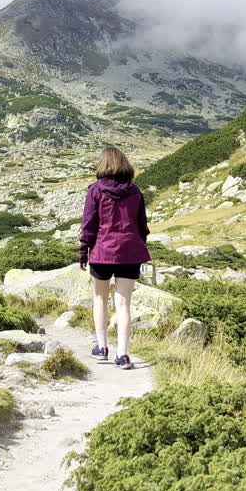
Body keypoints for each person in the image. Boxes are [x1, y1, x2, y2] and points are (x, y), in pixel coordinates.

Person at [77, 146, 150, 370]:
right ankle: (124, 354)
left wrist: (83, 250)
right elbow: (142, 227)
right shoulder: (136, 192)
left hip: (102, 252)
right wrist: (138, 248)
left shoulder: (96, 190)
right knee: (123, 304)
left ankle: (102, 348)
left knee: (100, 299)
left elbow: (89, 223)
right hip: (130, 252)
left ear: (103, 164)